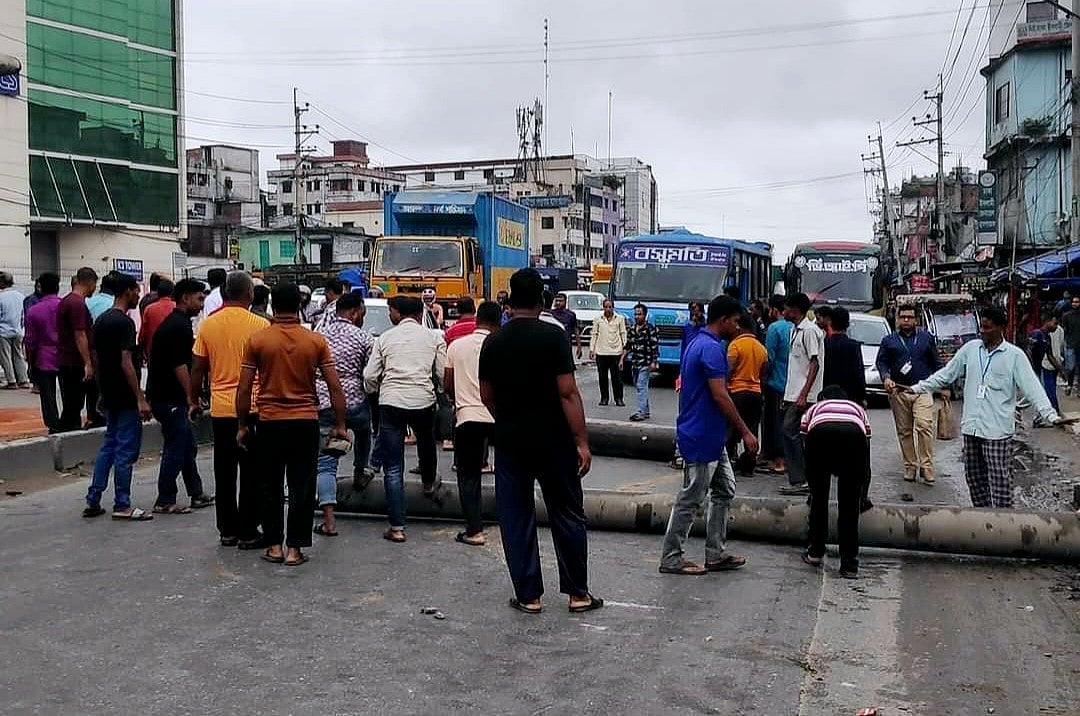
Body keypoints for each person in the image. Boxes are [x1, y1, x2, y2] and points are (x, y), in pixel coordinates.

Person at [479, 268, 602, 614]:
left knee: (516, 517)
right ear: (543, 301)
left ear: (508, 301)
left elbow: (486, 395)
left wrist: (508, 418)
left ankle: (529, 595)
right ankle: (578, 594)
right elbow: (568, 394)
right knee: (567, 514)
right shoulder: (554, 337)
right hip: (555, 441)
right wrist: (582, 442)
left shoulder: (493, 342)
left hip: (511, 441)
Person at [900, 307, 1068, 508]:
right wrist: (917, 388)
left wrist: (1051, 416)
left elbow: (1033, 389)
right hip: (972, 427)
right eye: (982, 328)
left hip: (997, 431)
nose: (983, 332)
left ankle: (1004, 524)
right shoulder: (971, 349)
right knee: (974, 478)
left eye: (988, 328)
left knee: (1000, 480)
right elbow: (946, 374)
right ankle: (983, 521)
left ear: (1000, 328)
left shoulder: (1014, 356)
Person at [237, 282, 347, 566]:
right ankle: (295, 549)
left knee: (270, 484)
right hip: (305, 421)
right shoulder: (315, 341)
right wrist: (340, 424)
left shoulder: (258, 340)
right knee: (302, 485)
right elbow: (335, 388)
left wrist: (242, 425)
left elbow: (245, 388)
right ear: (299, 305)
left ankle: (274, 545)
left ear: (273, 306)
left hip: (270, 421)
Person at [659, 295, 757, 576]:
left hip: (711, 435)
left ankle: (715, 552)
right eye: (736, 321)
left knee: (724, 489)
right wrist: (746, 431)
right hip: (702, 435)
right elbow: (721, 395)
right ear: (723, 319)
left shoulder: (699, 344)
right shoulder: (711, 349)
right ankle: (672, 557)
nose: (738, 327)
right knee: (691, 498)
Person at [191, 271, 270, 548]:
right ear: (249, 294)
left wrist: (193, 400)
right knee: (252, 472)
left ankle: (227, 530)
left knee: (224, 472)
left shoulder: (207, 326)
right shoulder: (260, 325)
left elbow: (198, 368)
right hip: (253, 407)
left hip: (221, 409)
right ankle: (249, 530)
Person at [363, 295, 447, 543]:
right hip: (423, 400)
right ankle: (429, 484)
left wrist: (374, 390)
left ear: (398, 314)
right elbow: (442, 373)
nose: (390, 315)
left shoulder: (385, 338)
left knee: (393, 466)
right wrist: (442, 393)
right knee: (426, 443)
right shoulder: (434, 338)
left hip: (391, 402)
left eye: (391, 311)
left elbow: (369, 376)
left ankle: (397, 527)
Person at [84, 272, 153, 521]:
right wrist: (140, 397)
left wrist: (102, 392)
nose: (138, 296)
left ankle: (94, 497)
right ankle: (122, 503)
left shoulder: (101, 321)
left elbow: (98, 359)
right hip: (124, 393)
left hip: (109, 391)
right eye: (136, 291)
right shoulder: (124, 323)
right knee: (125, 449)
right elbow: (126, 362)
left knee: (109, 445)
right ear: (127, 292)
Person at [148, 279, 214, 514]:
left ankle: (196, 493)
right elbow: (180, 366)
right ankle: (165, 498)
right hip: (169, 397)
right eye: (199, 298)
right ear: (185, 298)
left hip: (165, 395)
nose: (201, 303)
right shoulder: (178, 326)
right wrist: (191, 398)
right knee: (177, 447)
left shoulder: (178, 323)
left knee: (187, 446)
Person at [313, 292, 374, 536]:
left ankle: (329, 521)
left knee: (326, 464)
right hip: (355, 401)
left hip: (324, 402)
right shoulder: (363, 337)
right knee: (364, 431)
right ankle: (361, 470)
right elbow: (370, 375)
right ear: (355, 312)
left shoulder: (319, 337)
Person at [800, 385, 871, 579]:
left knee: (819, 500)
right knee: (849, 506)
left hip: (819, 435)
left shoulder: (814, 409)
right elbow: (866, 450)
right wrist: (863, 495)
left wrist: (813, 484)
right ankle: (849, 565)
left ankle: (815, 552)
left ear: (823, 398)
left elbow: (804, 439)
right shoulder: (857, 409)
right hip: (853, 437)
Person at [446, 300, 500, 546]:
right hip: (499, 417)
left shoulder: (457, 346)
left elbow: (447, 383)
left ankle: (474, 530)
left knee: (468, 476)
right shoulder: (501, 345)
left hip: (467, 418)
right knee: (508, 473)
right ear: (498, 323)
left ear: (477, 319)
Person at [875, 304, 941, 484]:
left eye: (909, 317)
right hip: (899, 391)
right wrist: (886, 378)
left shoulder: (926, 338)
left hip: (922, 390)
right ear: (897, 319)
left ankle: (926, 467)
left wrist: (943, 387)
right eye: (902, 317)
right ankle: (910, 466)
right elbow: (881, 362)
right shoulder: (889, 340)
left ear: (916, 320)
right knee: (904, 431)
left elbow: (936, 363)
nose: (906, 320)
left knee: (924, 425)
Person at [779, 292, 825, 496]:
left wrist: (803, 394)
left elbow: (814, 363)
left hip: (805, 396)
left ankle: (801, 480)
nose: (783, 312)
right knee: (795, 434)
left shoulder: (810, 331)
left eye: (786, 308)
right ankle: (802, 478)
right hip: (794, 394)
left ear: (795, 310)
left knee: (789, 432)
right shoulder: (795, 330)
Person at [57, 267, 99, 432]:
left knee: (72, 404)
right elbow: (80, 334)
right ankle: (67, 439)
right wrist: (88, 363)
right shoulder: (77, 304)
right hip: (74, 361)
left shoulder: (67, 301)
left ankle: (66, 436)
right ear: (90, 283)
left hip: (67, 359)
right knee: (74, 404)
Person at [726, 312, 768, 476]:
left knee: (731, 429)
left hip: (737, 392)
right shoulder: (761, 348)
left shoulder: (735, 346)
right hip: (755, 393)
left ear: (739, 327)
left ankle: (727, 462)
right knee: (751, 430)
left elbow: (728, 370)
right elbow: (764, 373)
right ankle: (749, 464)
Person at [24, 273, 62, 432]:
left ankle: (53, 424)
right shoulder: (65, 306)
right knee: (69, 393)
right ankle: (69, 422)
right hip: (65, 355)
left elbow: (30, 340)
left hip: (43, 357)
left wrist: (30, 361)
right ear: (57, 287)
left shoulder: (33, 311)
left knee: (48, 395)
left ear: (40, 287)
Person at [761, 295, 791, 475]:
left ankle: (778, 460)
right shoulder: (796, 327)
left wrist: (763, 378)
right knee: (788, 423)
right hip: (793, 385)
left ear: (774, 309)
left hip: (776, 383)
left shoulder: (774, 328)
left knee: (774, 422)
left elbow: (768, 357)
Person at [822, 306, 866, 406]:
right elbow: (858, 374)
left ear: (830, 323)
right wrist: (862, 397)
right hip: (849, 398)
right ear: (847, 324)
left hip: (826, 395)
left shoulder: (823, 345)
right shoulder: (853, 346)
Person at [589, 298, 627, 407]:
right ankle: (604, 398)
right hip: (601, 352)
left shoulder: (620, 319)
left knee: (617, 378)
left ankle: (619, 398)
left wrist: (624, 347)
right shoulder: (598, 319)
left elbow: (623, 333)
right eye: (606, 307)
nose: (608, 309)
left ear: (613, 307)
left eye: (610, 307)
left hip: (616, 352)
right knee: (602, 377)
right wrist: (592, 349)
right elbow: (594, 334)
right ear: (603, 307)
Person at [625, 303, 659, 422]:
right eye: (635, 314)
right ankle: (646, 410)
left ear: (645, 315)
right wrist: (621, 359)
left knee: (641, 385)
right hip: (635, 362)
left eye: (639, 314)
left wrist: (654, 362)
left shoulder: (650, 329)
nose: (637, 316)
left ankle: (641, 411)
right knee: (638, 385)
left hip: (646, 362)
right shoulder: (632, 329)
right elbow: (628, 345)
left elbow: (654, 346)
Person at [1029, 312, 1065, 413]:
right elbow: (1029, 353)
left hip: (1039, 368)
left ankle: (1045, 416)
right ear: (1047, 322)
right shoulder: (1036, 334)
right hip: (1035, 369)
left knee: (1042, 393)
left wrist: (1061, 370)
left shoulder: (1047, 337)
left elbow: (1050, 355)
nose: (1056, 327)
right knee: (1041, 393)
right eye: (1055, 324)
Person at [0, 271, 29, 389]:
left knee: (5, 356)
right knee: (19, 355)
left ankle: (11, 381)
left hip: (3, 331)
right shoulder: (20, 296)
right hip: (18, 330)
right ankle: (23, 379)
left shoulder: (1, 297)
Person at [138, 278, 175, 365]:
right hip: (174, 355)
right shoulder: (176, 307)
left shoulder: (149, 309)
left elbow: (142, 335)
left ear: (158, 293)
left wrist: (142, 351)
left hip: (153, 355)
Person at [550, 293, 583, 359]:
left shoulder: (570, 315)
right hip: (553, 345)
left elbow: (576, 331)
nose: (558, 303)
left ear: (565, 302)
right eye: (557, 301)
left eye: (560, 301)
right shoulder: (551, 314)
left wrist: (579, 346)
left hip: (566, 345)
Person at [1060, 295, 1080, 394]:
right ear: (1071, 303)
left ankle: (1078, 388)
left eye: (1077, 302)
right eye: (1074, 302)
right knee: (1070, 367)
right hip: (1071, 344)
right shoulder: (1066, 316)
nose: (1075, 304)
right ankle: (1070, 385)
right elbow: (1065, 330)